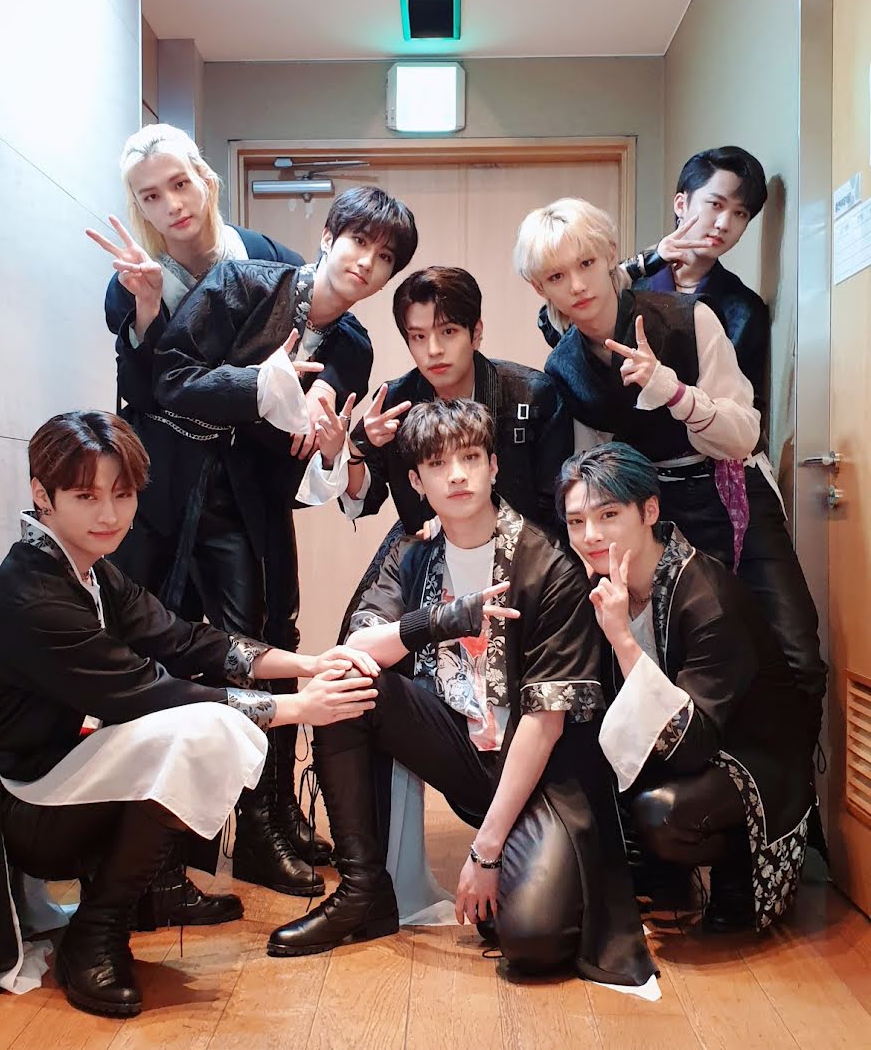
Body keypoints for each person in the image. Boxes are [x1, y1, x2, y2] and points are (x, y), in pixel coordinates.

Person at [0, 411, 378, 1018]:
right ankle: (96, 934)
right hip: (18, 809)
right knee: (196, 729)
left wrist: (306, 664)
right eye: (86, 496)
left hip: (57, 779)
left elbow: (184, 638)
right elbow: (148, 691)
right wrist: (299, 707)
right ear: (42, 495)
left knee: (195, 727)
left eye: (122, 494)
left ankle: (127, 909)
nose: (109, 514)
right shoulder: (34, 595)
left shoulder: (86, 569)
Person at [267, 400, 654, 988]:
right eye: (437, 464)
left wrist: (485, 852)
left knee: (532, 940)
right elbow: (359, 644)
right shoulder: (414, 551)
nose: (456, 475)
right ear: (416, 482)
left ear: (494, 466)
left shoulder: (548, 564)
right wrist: (437, 621)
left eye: (471, 458)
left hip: (543, 776)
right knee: (345, 679)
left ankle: (530, 871)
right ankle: (363, 892)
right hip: (464, 756)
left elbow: (545, 724)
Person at [91, 125, 376, 900]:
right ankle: (175, 842)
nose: (172, 205)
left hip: (249, 485)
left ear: (205, 178)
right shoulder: (134, 276)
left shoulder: (262, 255)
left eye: (180, 183)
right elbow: (143, 391)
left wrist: (323, 391)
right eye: (151, 195)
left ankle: (267, 816)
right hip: (167, 492)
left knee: (268, 635)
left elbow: (344, 333)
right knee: (168, 648)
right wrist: (146, 307)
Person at [514, 198, 826, 741]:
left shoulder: (686, 317)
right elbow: (593, 470)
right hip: (657, 510)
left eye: (587, 263)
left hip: (733, 491)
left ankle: (790, 786)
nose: (578, 285)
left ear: (610, 255)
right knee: (683, 654)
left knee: (796, 652)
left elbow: (742, 434)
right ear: (541, 288)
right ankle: (706, 777)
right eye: (557, 276)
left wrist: (673, 392)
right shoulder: (564, 366)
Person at [559, 442, 814, 930]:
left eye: (608, 514)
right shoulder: (599, 585)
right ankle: (663, 880)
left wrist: (622, 639)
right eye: (576, 521)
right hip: (676, 754)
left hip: (747, 761)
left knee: (662, 815)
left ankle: (735, 861)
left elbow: (693, 742)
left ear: (649, 511)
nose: (590, 535)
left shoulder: (706, 597)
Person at [306, 265, 570, 535]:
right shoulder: (396, 402)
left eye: (448, 332)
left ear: (476, 333)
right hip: (427, 548)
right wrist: (354, 448)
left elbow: (558, 506)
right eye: (419, 337)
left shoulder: (532, 394)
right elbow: (364, 499)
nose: (433, 350)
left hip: (524, 550)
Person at [616, 146, 771, 417]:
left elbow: (745, 409)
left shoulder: (744, 309)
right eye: (716, 205)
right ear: (681, 204)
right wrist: (642, 264)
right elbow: (560, 326)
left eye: (740, 213)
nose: (724, 223)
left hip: (701, 439)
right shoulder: (631, 284)